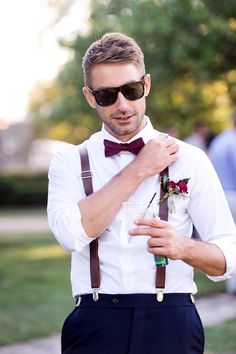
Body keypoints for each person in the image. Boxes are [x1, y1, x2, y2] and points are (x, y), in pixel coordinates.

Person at [47, 32, 236, 354]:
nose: (122, 105)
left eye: (131, 90)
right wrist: (140, 168)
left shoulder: (190, 159)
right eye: (107, 95)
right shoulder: (69, 160)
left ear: (146, 85)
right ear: (90, 97)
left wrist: (184, 248)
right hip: (95, 321)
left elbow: (228, 258)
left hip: (172, 320)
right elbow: (71, 235)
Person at [208, 110, 236, 295]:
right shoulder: (233, 142)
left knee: (228, 241)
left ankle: (232, 285)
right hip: (233, 194)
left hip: (220, 195)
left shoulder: (219, 140)